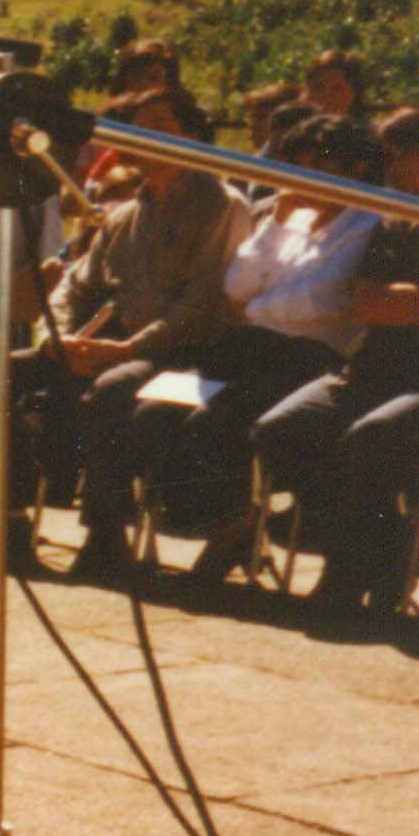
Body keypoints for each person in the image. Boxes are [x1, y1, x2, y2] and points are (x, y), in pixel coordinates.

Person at [253, 92, 419, 614]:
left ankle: (348, 571)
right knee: (283, 428)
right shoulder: (402, 215)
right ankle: (389, 549)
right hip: (377, 371)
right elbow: (366, 302)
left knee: (372, 438)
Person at [155, 116, 386, 581]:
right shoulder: (289, 218)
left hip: (308, 359)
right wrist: (275, 228)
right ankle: (230, 523)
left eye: (320, 165)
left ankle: (234, 528)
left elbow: (321, 300)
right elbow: (237, 284)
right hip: (250, 348)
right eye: (299, 166)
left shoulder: (367, 224)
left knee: (212, 421)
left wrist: (258, 304)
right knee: (156, 410)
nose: (305, 177)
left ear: (355, 168)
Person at [51, 85, 250, 578]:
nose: (148, 137)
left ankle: (105, 532)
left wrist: (126, 349)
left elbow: (202, 306)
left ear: (192, 135)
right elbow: (74, 285)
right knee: (3, 373)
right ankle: (2, 517)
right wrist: (61, 338)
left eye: (162, 125)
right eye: (139, 127)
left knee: (114, 390)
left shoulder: (222, 205)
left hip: (188, 354)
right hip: (116, 346)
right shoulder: (123, 215)